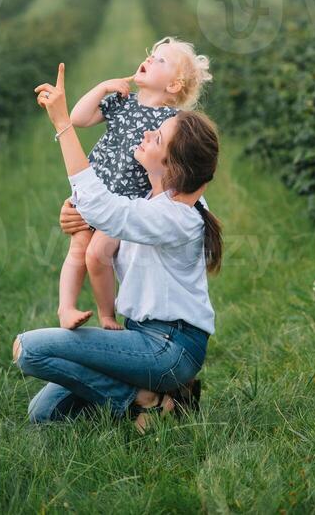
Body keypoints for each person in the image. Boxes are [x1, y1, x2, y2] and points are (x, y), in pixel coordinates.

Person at [12, 62, 222, 432]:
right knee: (44, 412)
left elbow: (106, 209)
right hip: (138, 336)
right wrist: (72, 216)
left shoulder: (177, 217)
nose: (147, 134)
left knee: (30, 350)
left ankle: (145, 400)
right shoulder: (149, 200)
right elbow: (105, 216)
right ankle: (163, 397)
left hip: (170, 345)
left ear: (172, 165)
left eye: (157, 137)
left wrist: (63, 125)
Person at [57, 36, 212, 330]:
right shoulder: (122, 101)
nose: (151, 59)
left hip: (129, 201)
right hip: (97, 187)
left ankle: (107, 315)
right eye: (151, 54)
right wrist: (103, 87)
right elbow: (78, 118)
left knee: (97, 254)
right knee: (78, 249)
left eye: (161, 59)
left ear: (174, 86)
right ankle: (65, 308)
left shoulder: (172, 121)